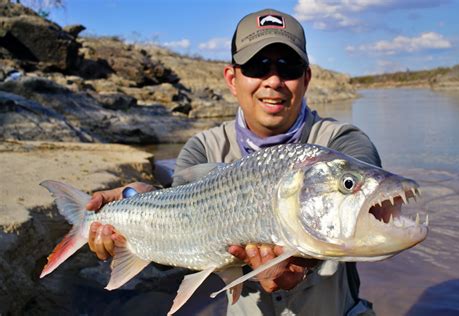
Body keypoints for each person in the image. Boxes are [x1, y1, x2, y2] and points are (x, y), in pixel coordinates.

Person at [86, 8, 380, 316]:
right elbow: (170, 247)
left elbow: (364, 198)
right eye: (257, 65)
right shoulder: (202, 148)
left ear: (305, 78)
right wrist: (135, 213)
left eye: (288, 66)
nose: (274, 80)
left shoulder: (342, 141)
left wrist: (306, 260)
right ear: (232, 78)